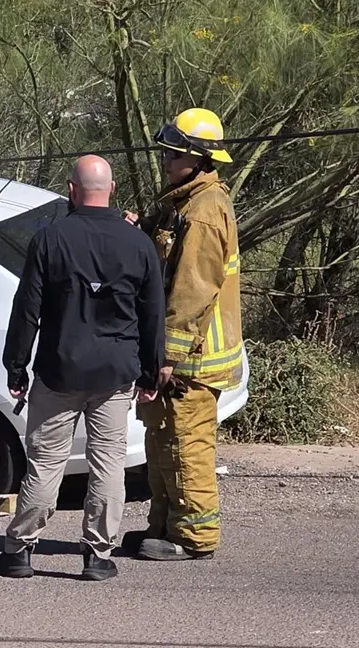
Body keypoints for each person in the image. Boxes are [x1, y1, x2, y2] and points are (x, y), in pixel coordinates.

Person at [0, 156, 164, 581]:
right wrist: (150, 370)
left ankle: (20, 551)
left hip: (59, 368)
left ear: (71, 189)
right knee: (108, 463)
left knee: (45, 463)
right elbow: (153, 313)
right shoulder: (138, 243)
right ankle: (97, 556)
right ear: (113, 188)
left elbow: (27, 308)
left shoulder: (50, 239)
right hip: (116, 372)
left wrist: (17, 365)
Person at [126, 108, 244, 562]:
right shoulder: (183, 203)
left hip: (193, 359)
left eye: (174, 155)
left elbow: (192, 289)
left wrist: (167, 356)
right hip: (176, 356)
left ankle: (194, 538)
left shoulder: (205, 211)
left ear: (198, 158)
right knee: (163, 443)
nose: (166, 161)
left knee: (186, 446)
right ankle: (162, 526)